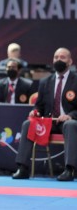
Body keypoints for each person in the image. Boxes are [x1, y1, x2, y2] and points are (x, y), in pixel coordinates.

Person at [12, 47, 77, 181]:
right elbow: (39, 105)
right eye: (56, 57)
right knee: (28, 123)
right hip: (49, 122)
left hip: (68, 121)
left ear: (70, 61)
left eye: (62, 57)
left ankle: (70, 169)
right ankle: (23, 168)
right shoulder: (45, 82)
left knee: (70, 125)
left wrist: (70, 115)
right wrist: (35, 111)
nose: (58, 60)